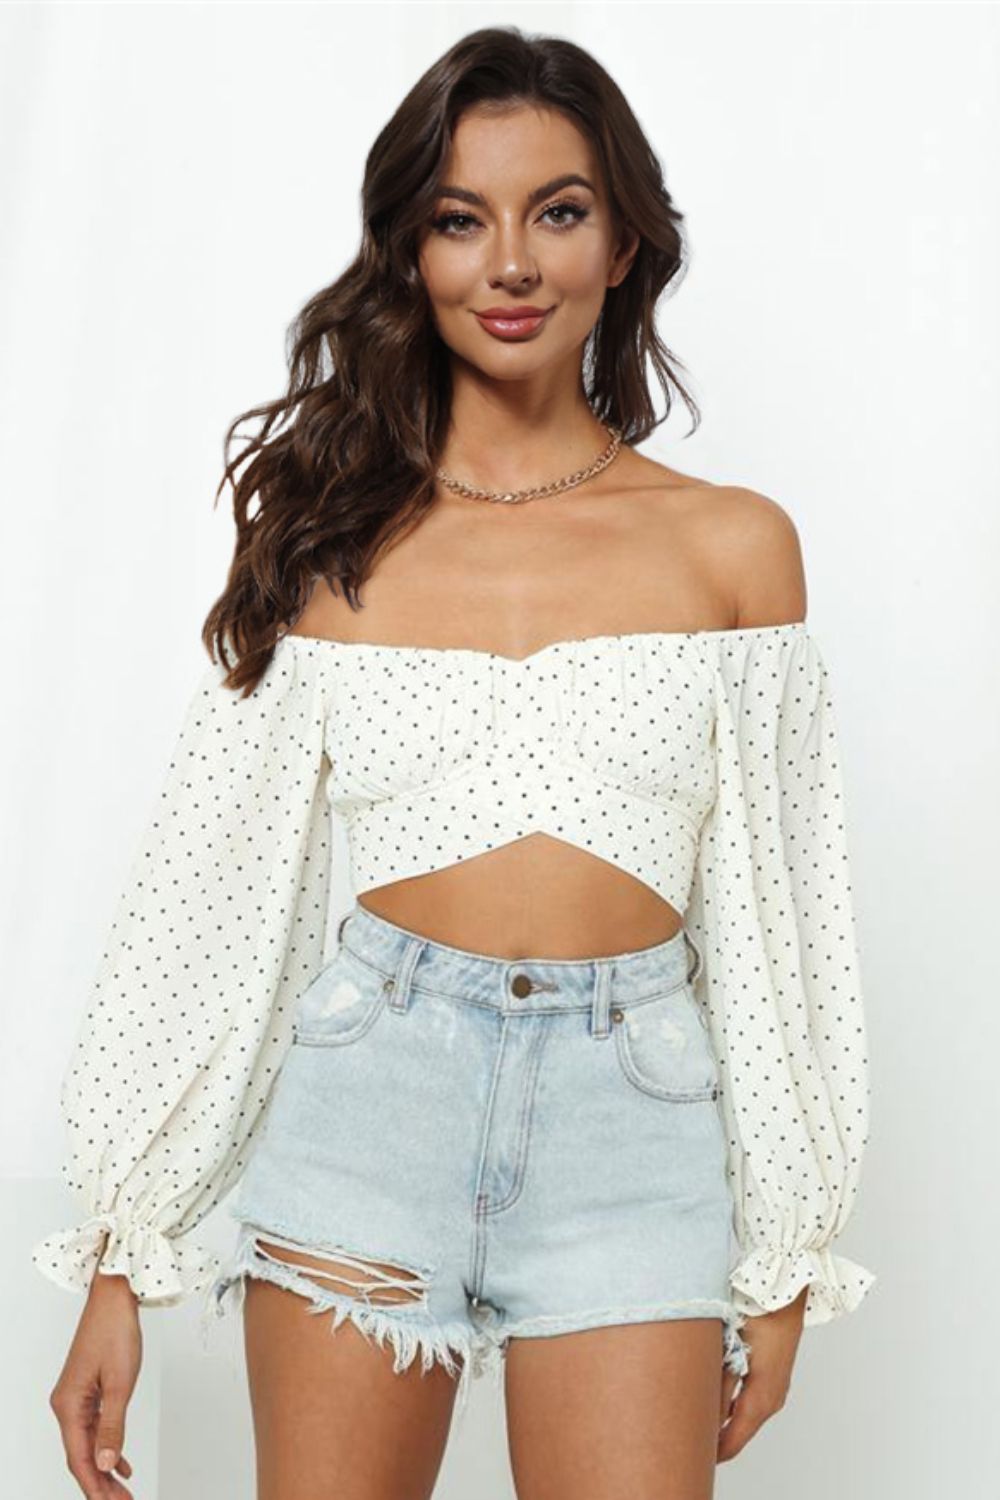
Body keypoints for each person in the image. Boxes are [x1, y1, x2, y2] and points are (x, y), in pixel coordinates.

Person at [35, 25, 876, 1500]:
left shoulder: (733, 548)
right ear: (410, 253)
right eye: (460, 219)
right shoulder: (328, 545)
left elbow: (782, 922)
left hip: (635, 1130)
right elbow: (212, 900)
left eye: (559, 211)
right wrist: (120, 1252)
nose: (512, 264)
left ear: (623, 243)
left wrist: (787, 1250)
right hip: (370, 1104)